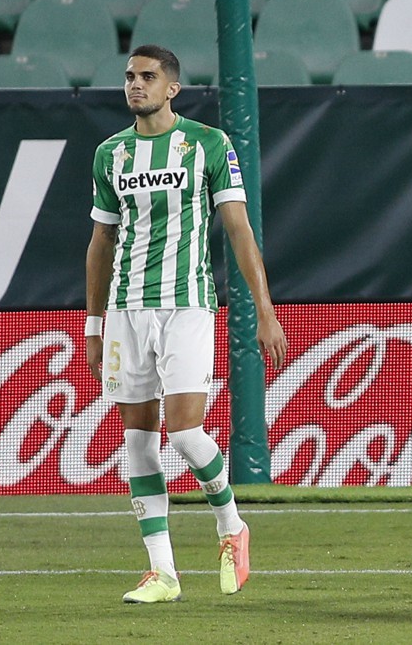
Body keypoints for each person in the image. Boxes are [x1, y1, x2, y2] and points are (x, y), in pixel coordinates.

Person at [85, 45, 288, 603]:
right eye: (129, 76)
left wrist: (265, 311)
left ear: (172, 87)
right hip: (126, 310)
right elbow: (101, 241)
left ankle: (230, 524)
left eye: (147, 77)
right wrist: (94, 324)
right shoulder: (110, 154)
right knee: (138, 439)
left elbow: (241, 231)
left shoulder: (208, 144)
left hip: (188, 304)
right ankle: (163, 572)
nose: (135, 85)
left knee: (184, 431)